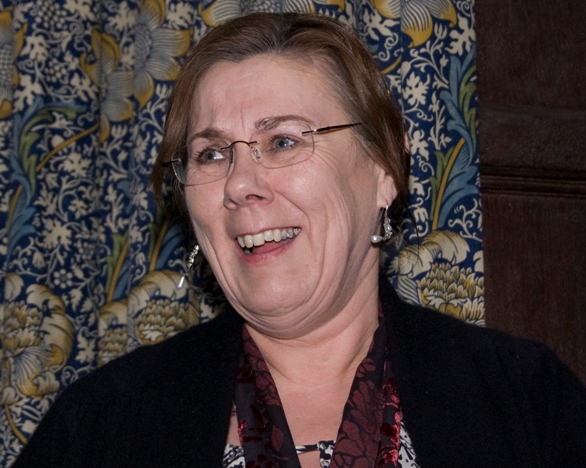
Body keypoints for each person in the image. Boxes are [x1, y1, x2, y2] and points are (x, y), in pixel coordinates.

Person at [14, 12, 586, 468]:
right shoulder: (101, 426)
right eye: (211, 154)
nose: (238, 184)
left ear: (385, 168)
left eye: (284, 141)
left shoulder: (526, 400)